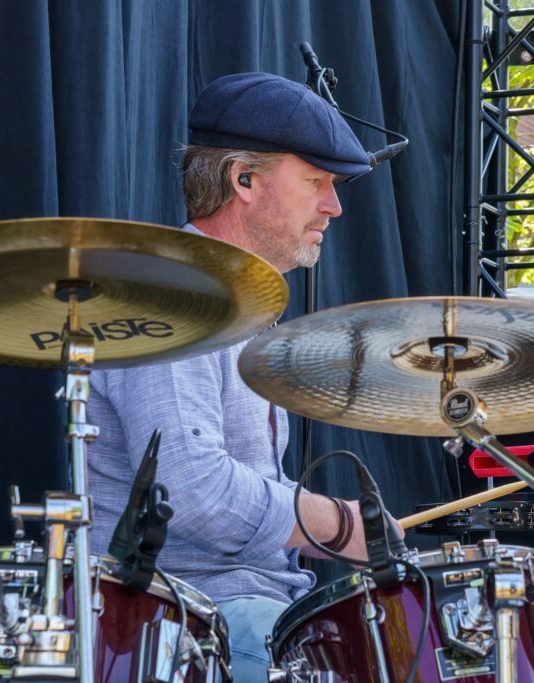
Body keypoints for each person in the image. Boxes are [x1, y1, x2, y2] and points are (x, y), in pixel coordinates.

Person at [87, 72, 392, 680]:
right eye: (317, 182)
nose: (333, 205)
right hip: (182, 621)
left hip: (253, 608)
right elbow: (192, 492)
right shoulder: (172, 297)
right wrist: (337, 524)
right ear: (243, 180)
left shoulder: (239, 304)